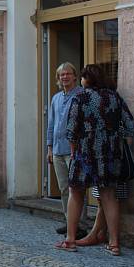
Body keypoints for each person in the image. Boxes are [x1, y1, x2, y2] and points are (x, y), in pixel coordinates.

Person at [58, 64, 134, 255]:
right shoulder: (114, 97)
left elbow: (71, 131)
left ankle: (70, 240)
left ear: (86, 79)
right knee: (109, 196)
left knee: (76, 193)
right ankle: (114, 243)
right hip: (109, 154)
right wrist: (114, 137)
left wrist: (75, 150)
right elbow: (130, 126)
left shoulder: (80, 97)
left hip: (84, 152)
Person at [45, 62, 88, 237]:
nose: (64, 77)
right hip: (57, 150)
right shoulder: (56, 98)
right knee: (64, 188)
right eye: (61, 75)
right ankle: (69, 220)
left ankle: (81, 225)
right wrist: (49, 148)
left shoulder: (81, 95)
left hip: (74, 151)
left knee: (77, 189)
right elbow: (51, 124)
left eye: (67, 74)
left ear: (75, 76)